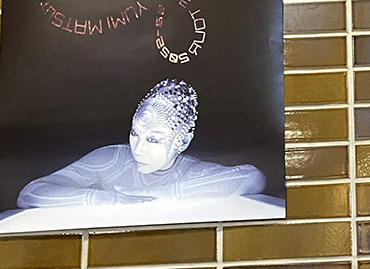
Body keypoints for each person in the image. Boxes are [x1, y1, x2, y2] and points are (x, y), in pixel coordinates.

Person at [16, 79, 267, 208]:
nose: (138, 148)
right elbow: (30, 194)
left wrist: (155, 195)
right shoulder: (113, 158)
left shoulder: (191, 172)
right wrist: (107, 199)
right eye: (135, 133)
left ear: (182, 141)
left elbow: (252, 177)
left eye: (153, 139)